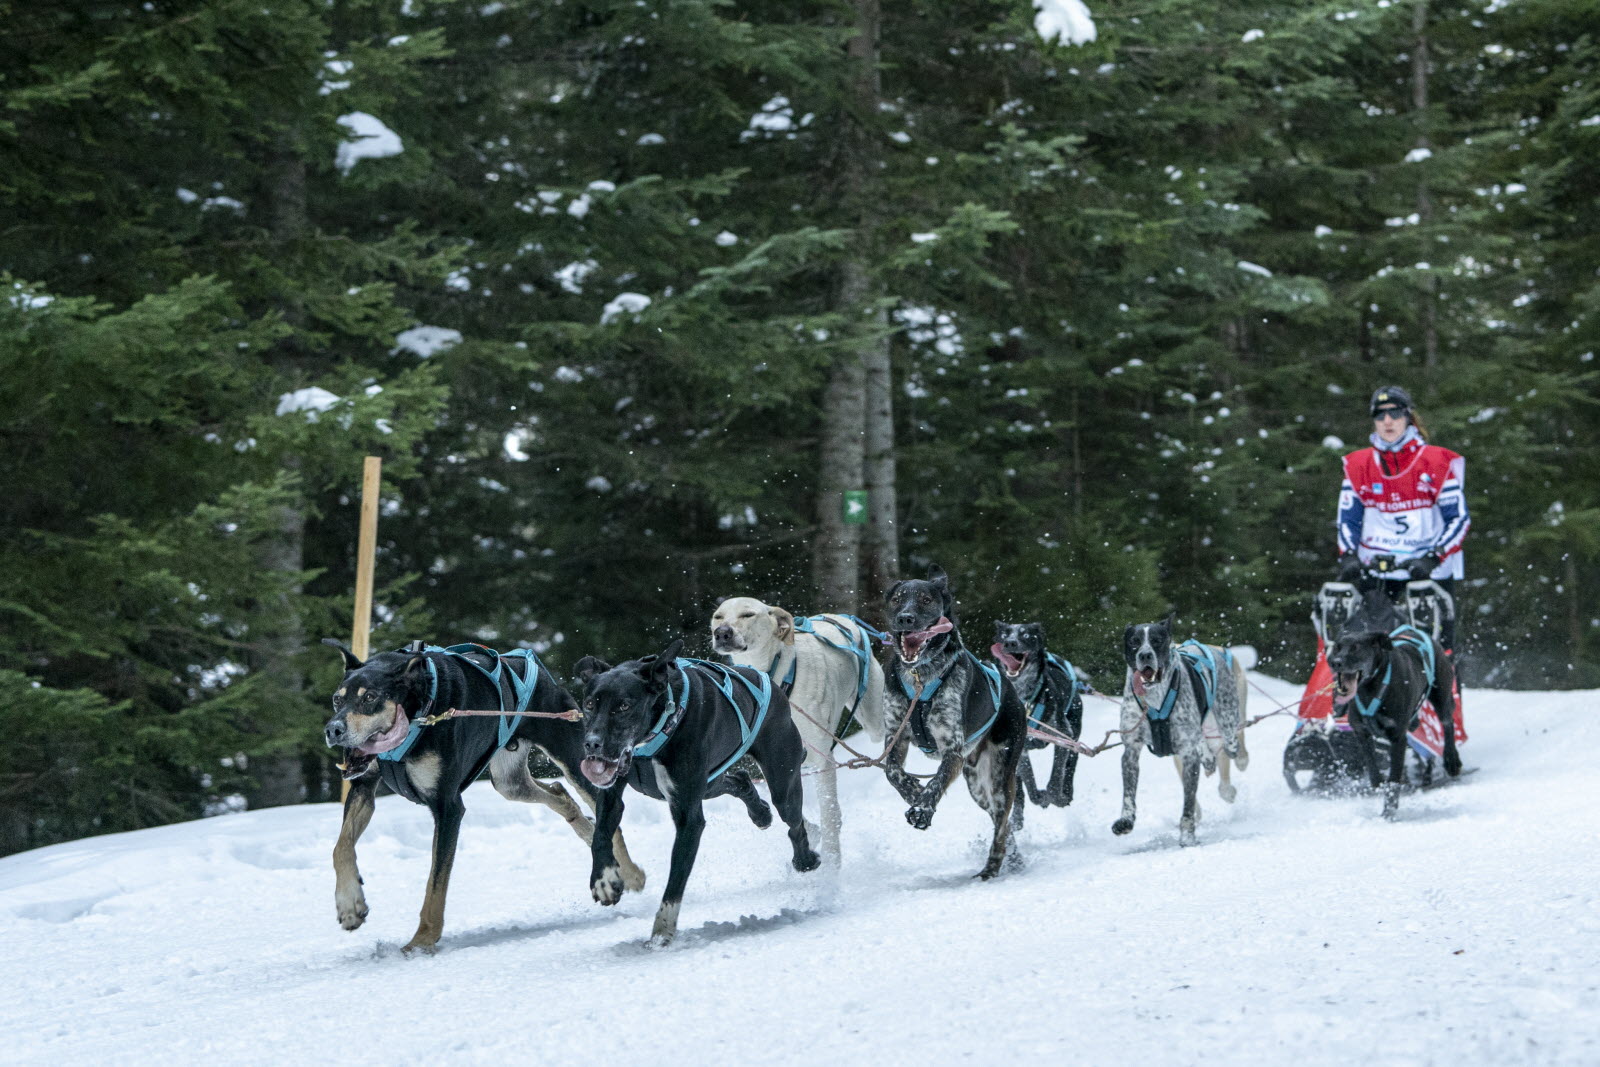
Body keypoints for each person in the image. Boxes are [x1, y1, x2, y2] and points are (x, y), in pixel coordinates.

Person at [1335, 385, 1469, 652]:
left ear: (1408, 417)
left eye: (1395, 413)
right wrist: (1348, 555)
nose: (1387, 421)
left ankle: (1447, 677)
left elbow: (1458, 518)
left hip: (1426, 570)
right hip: (1377, 569)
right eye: (1380, 414)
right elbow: (1347, 519)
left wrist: (1433, 557)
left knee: (1437, 652)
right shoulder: (1359, 464)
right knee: (1368, 648)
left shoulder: (1436, 461)